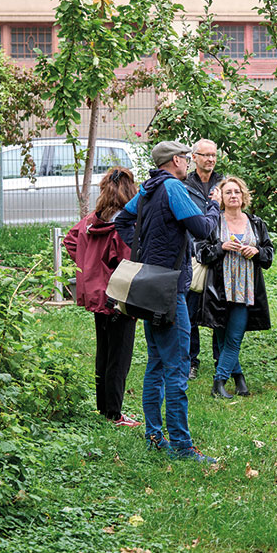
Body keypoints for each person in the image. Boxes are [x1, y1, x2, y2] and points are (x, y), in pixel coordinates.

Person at [113, 140, 217, 462]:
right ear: (175, 161)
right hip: (170, 290)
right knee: (177, 367)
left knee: (156, 363)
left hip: (150, 286)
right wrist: (213, 206)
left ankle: (154, 437)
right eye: (186, 158)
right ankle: (182, 446)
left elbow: (122, 221)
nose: (188, 162)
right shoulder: (173, 188)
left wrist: (143, 251)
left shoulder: (148, 188)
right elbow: (203, 228)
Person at [64, 167, 142, 429]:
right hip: (119, 297)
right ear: (131, 190)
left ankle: (104, 408)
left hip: (97, 296)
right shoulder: (125, 225)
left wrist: (88, 263)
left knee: (105, 352)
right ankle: (115, 414)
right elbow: (128, 261)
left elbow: (70, 240)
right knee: (119, 356)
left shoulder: (91, 221)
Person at [194, 177, 275, 400]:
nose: (233, 196)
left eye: (237, 192)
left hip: (245, 290)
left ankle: (219, 382)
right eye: (228, 192)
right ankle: (239, 380)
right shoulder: (213, 222)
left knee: (233, 338)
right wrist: (221, 247)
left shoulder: (256, 223)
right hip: (219, 291)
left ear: (243, 196)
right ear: (221, 197)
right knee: (223, 338)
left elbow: (269, 254)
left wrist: (256, 251)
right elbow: (201, 253)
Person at [186, 139, 223, 379]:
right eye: (205, 155)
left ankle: (222, 360)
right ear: (194, 157)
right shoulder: (184, 184)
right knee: (189, 311)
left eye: (213, 155)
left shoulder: (223, 183)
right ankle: (191, 361)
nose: (210, 159)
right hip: (192, 254)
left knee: (220, 309)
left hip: (219, 252)